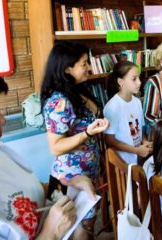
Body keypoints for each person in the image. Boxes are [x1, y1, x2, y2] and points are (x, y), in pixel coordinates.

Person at [0, 75, 96, 239]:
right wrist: (51, 233)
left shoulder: (3, 153)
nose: (2, 119)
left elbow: (35, 191)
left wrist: (69, 185)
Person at [40, 41, 109, 239]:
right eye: (84, 63)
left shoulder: (80, 90)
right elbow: (55, 147)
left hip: (90, 171)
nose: (89, 67)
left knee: (87, 225)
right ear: (67, 68)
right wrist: (87, 133)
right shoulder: (59, 101)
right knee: (78, 228)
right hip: (72, 178)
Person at [103, 61, 152, 164]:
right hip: (123, 162)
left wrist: (145, 141)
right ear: (120, 82)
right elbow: (109, 140)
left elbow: (140, 129)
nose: (139, 82)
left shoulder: (137, 102)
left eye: (139, 78)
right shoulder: (112, 107)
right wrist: (136, 150)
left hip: (138, 158)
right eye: (134, 79)